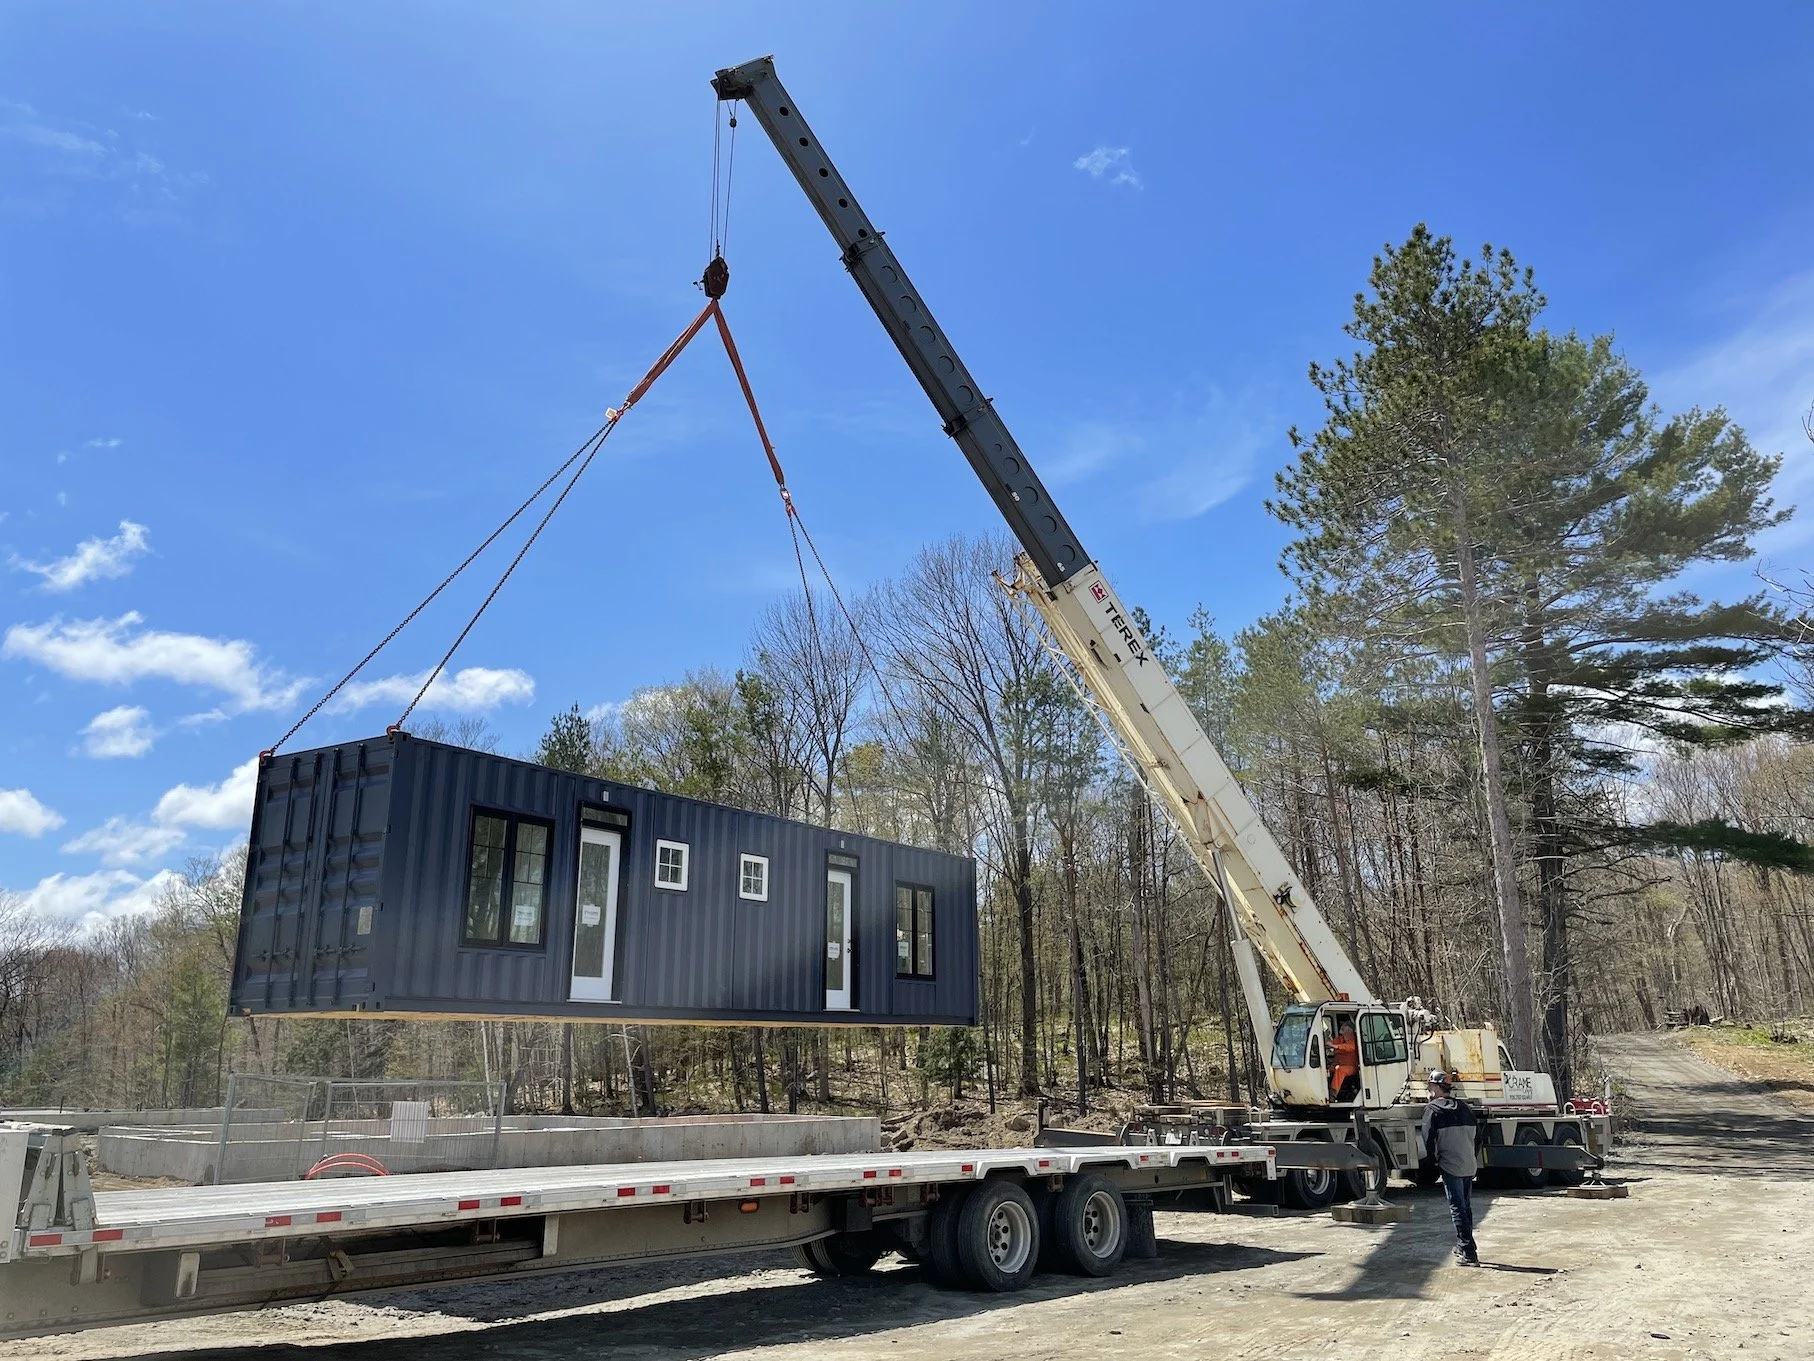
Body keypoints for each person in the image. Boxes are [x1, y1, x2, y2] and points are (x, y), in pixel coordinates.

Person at [1420, 1070, 1480, 1265]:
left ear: (1437, 1088)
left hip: (1450, 1165)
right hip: (1468, 1164)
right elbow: (1477, 1138)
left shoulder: (1433, 1110)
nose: (1429, 1091)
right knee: (1466, 1206)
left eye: (1430, 1087)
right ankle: (1465, 1245)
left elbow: (1428, 1141)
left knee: (1457, 1208)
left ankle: (1469, 1253)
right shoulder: (1464, 1107)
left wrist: (1433, 1163)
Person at [1328, 1019, 1361, 1103]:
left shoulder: (1355, 1040)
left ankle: (1332, 1094)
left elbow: (1350, 1047)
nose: (1342, 1030)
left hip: (1351, 1066)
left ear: (1349, 1030)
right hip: (1338, 1064)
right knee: (1328, 1069)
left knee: (1340, 1070)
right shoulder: (1340, 1039)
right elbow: (1330, 1043)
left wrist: (1336, 1047)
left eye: (1344, 1028)